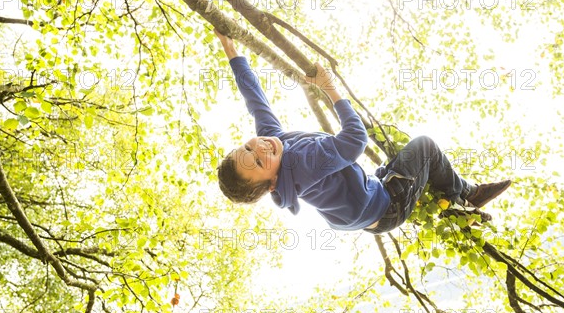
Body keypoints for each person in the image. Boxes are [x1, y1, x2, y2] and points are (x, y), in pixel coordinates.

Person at [215, 31, 511, 234]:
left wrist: (231, 51)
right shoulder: (302, 163)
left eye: (248, 148)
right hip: (385, 206)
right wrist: (329, 87)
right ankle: (466, 197)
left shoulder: (272, 147)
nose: (260, 148)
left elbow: (255, 102)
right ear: (272, 184)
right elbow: (355, 140)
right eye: (257, 162)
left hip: (367, 203)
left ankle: (451, 201)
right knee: (424, 148)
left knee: (403, 166)